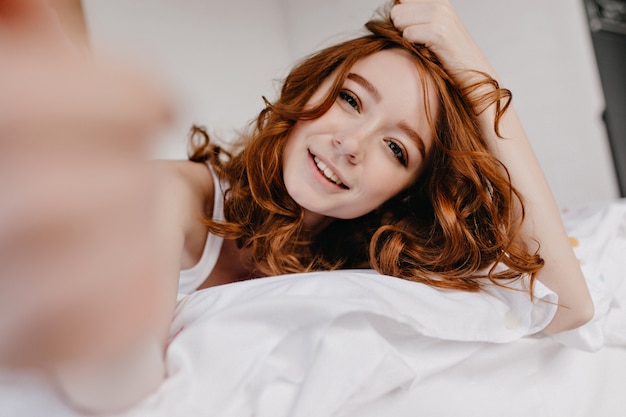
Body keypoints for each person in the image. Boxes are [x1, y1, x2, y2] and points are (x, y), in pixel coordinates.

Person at [0, 0, 594, 413]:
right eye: (351, 100)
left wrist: (479, 75)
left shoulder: (366, 257)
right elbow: (119, 387)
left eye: (395, 147)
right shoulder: (172, 198)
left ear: (406, 191)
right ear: (310, 90)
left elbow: (568, 307)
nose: (350, 145)